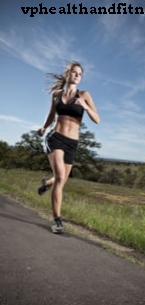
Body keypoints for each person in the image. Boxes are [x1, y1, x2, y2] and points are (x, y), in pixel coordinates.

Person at [37, 61, 100, 234]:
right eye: (74, 72)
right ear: (67, 74)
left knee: (61, 179)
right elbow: (51, 114)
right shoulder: (56, 94)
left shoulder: (84, 94)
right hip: (55, 138)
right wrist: (43, 127)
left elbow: (97, 119)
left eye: (80, 74)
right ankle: (57, 221)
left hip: (72, 143)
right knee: (60, 178)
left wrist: (85, 106)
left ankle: (46, 183)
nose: (77, 75)